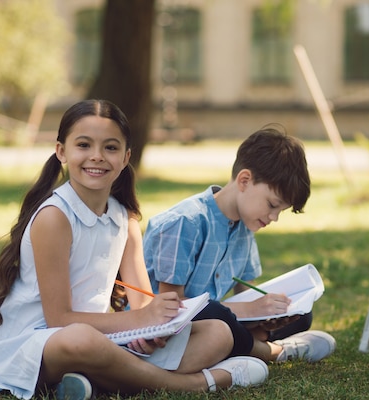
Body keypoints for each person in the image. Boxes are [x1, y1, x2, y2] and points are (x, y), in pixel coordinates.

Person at [0, 99, 268, 400]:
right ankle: (191, 385)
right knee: (81, 339)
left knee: (218, 333)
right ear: (62, 151)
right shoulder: (54, 217)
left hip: (103, 338)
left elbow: (142, 301)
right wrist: (140, 318)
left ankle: (92, 383)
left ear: (127, 156)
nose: (97, 157)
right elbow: (58, 319)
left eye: (111, 148)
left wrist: (155, 331)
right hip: (40, 342)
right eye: (84, 145)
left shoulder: (123, 219)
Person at [143, 126, 336, 364]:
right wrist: (252, 310)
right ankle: (271, 351)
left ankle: (251, 340)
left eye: (281, 211)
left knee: (301, 314)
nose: (274, 217)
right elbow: (173, 308)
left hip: (217, 322)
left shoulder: (245, 225)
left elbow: (246, 293)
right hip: (169, 327)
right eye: (272, 205)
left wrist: (269, 314)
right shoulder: (185, 222)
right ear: (245, 180)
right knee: (215, 312)